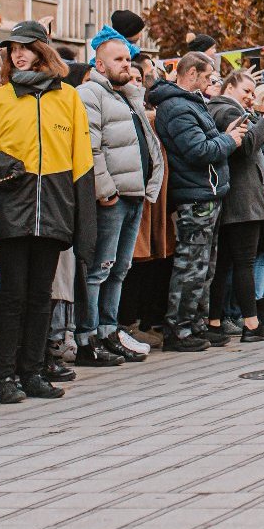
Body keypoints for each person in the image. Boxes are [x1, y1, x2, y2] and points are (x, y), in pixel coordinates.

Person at [0, 21, 93, 404]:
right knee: (12, 297)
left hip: (54, 207)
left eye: (26, 47)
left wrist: (84, 225)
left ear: (43, 50)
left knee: (42, 297)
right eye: (12, 49)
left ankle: (32, 372)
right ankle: (4, 375)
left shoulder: (69, 97)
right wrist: (5, 166)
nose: (17, 54)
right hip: (12, 207)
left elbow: (83, 160)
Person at [147, 50, 248, 350]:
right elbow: (197, 150)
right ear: (191, 74)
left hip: (207, 191)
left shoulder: (191, 104)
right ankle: (179, 328)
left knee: (205, 264)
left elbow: (205, 141)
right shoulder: (178, 106)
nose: (209, 83)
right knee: (191, 264)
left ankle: (196, 324)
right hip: (195, 194)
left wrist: (223, 135)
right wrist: (228, 141)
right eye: (206, 77)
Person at [75, 29, 164, 365]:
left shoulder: (128, 95)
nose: (127, 65)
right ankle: (89, 335)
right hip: (113, 197)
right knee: (100, 268)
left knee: (121, 268)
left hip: (134, 193)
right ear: (100, 63)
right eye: (119, 59)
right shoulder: (89, 94)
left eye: (128, 59)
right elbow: (91, 145)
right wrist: (105, 190)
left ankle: (110, 330)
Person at [208, 69, 264, 343]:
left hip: (240, 198)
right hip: (241, 200)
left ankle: (214, 323)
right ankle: (251, 325)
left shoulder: (226, 110)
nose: (251, 98)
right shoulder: (228, 112)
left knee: (227, 263)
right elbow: (246, 145)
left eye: (253, 93)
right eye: (247, 92)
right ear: (229, 86)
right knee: (244, 262)